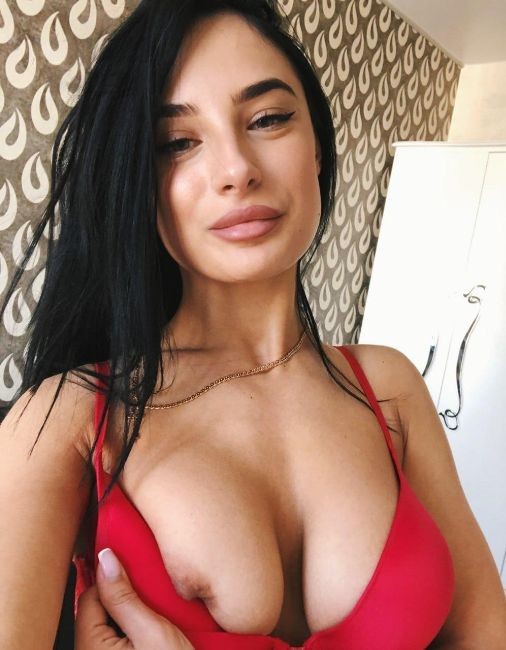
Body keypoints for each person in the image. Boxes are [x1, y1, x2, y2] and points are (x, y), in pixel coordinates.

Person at [1, 1, 505, 649]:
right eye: (177, 143)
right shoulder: (67, 419)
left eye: (267, 119)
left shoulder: (391, 387)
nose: (236, 168)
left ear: (317, 147)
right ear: (139, 183)